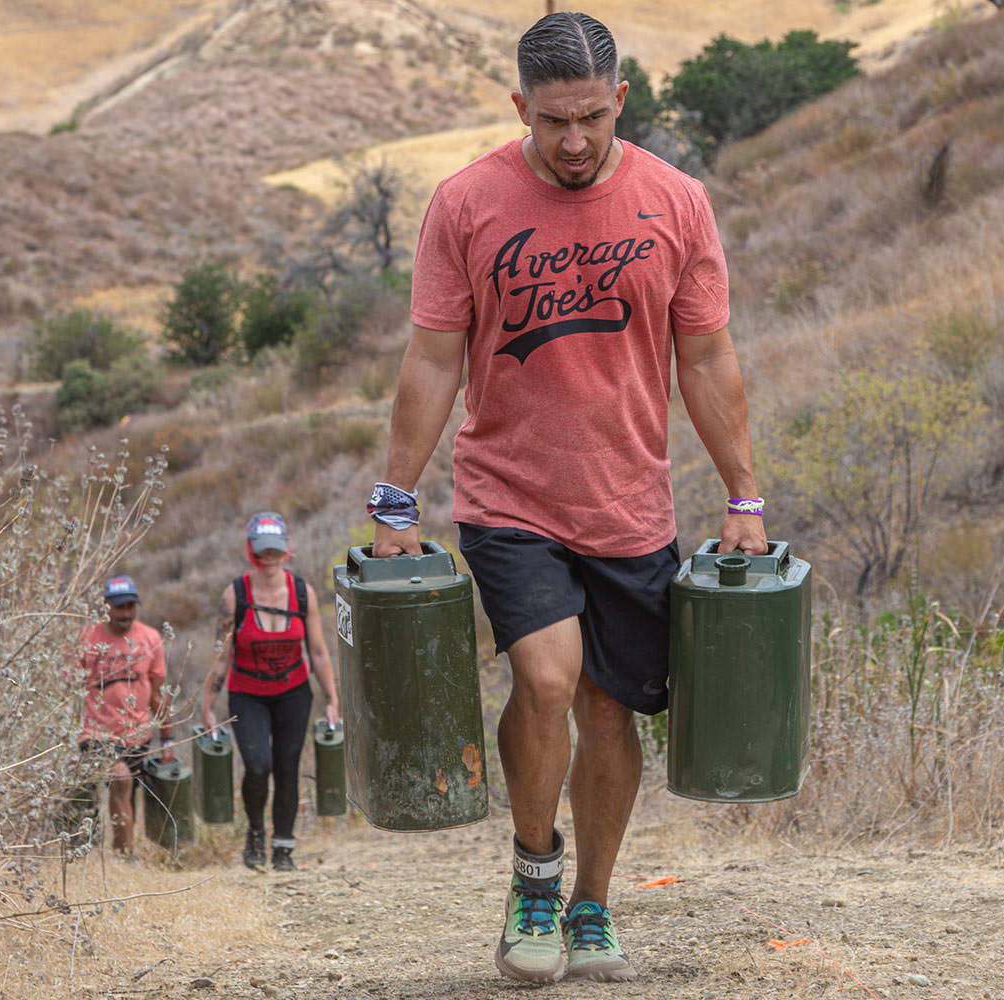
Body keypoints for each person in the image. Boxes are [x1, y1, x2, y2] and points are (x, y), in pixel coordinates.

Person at [369, 10, 768, 984]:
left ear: (621, 100)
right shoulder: (466, 205)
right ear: (520, 108)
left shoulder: (676, 203)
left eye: (592, 116)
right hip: (508, 495)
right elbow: (430, 359)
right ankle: (534, 873)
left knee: (605, 711)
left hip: (630, 506)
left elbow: (707, 359)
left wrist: (744, 495)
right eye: (554, 122)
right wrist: (394, 498)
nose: (576, 140)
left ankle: (592, 903)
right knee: (545, 678)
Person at [200, 512, 340, 872]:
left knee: (287, 768)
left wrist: (331, 698)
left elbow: (319, 651)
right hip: (247, 694)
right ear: (250, 551)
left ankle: (283, 848)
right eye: (262, 551)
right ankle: (256, 831)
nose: (268, 558)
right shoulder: (235, 596)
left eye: (275, 550)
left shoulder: (301, 592)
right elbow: (220, 656)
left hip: (293, 692)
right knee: (258, 766)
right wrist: (207, 707)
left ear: (286, 550)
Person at [74, 574, 175, 859]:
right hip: (96, 734)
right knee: (120, 779)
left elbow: (158, 694)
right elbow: (68, 692)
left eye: (130, 606)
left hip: (137, 733)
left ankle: (123, 855)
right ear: (106, 606)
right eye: (119, 607)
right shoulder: (87, 639)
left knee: (130, 792)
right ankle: (126, 858)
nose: (125, 613)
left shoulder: (150, 638)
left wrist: (167, 740)